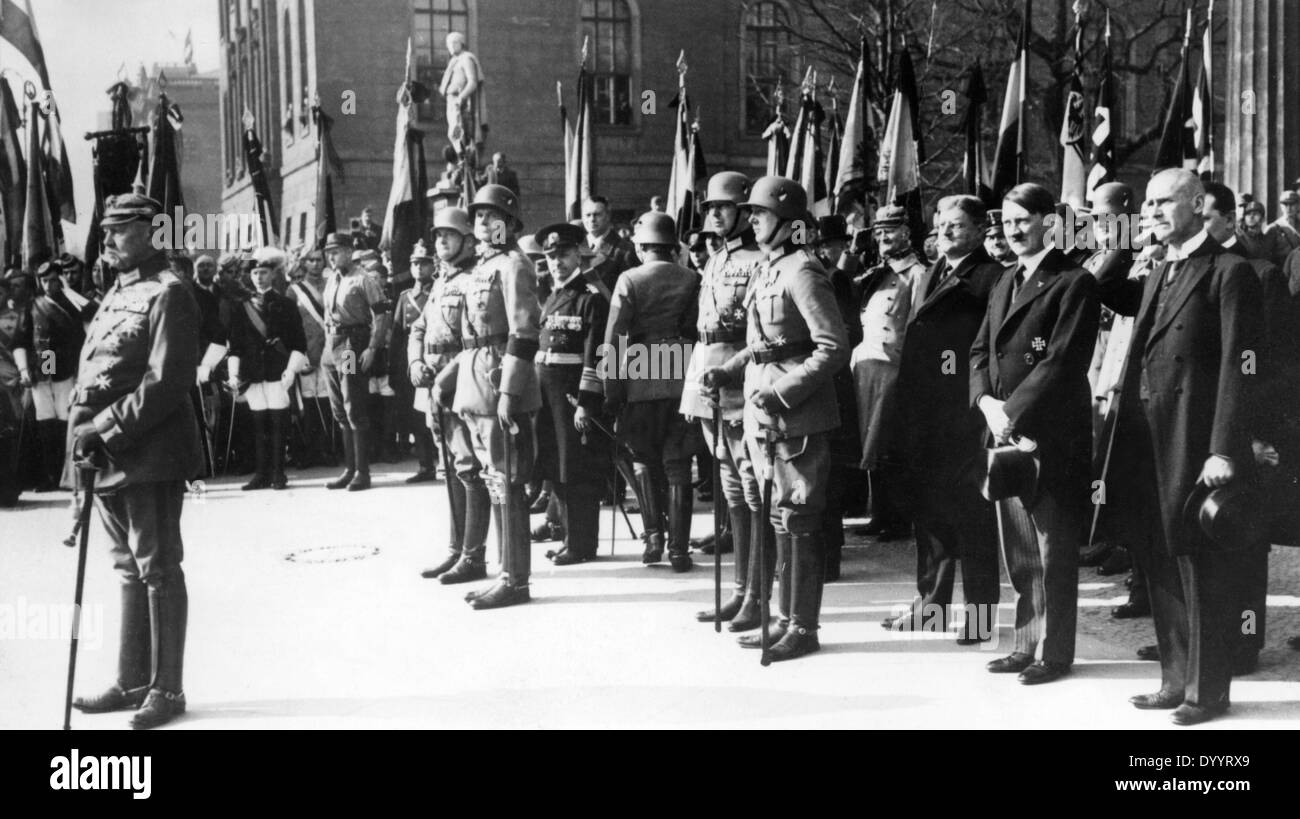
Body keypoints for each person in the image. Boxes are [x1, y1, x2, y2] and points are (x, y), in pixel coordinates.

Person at [1097, 169, 1266, 725]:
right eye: (1145, 204)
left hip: (1194, 441)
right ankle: (1173, 680)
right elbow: (1102, 290)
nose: (1151, 211)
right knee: (1159, 559)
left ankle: (1207, 691)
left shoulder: (1231, 271)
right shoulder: (1159, 269)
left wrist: (1224, 448)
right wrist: (1124, 238)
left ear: (1196, 204)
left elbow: (1244, 368)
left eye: (1162, 202)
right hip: (1145, 439)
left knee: (1202, 567)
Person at [67, 191, 202, 729]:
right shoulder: (118, 291)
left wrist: (106, 427)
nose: (109, 239)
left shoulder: (171, 293)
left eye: (120, 229)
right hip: (106, 454)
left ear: (153, 231)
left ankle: (167, 689)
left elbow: (167, 381)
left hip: (150, 451)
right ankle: (131, 680)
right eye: (107, 230)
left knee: (158, 569)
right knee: (128, 569)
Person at [702, 176, 849, 661]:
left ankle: (802, 627)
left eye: (761, 214)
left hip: (798, 416)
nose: (753, 220)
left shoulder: (803, 270)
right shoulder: (771, 268)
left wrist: (783, 393)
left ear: (786, 222)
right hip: (763, 409)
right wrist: (729, 369)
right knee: (779, 517)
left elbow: (832, 347)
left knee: (800, 518)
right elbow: (764, 343)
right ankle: (783, 618)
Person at [970, 182, 1100, 685]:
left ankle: (1055, 652)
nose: (1012, 228)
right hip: (1003, 431)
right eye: (1005, 220)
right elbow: (980, 350)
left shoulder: (1074, 282)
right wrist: (985, 403)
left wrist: (1013, 413)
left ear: (1050, 221)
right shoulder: (1005, 279)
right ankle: (1025, 644)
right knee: (1020, 550)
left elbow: (1063, 361)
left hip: (1049, 437)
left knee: (1053, 551)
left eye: (1022, 219)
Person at [891, 195, 1003, 642]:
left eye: (956, 225)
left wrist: (982, 408)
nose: (944, 233)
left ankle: (979, 619)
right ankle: (932, 605)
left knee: (972, 518)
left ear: (979, 229)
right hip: (925, 413)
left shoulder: (991, 276)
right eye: (939, 225)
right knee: (930, 513)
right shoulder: (932, 273)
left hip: (963, 412)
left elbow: (988, 347)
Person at [680, 172, 768, 621]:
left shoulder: (759, 260)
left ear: (745, 213)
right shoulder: (713, 259)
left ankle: (758, 595)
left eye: (722, 207)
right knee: (731, 489)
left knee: (753, 490)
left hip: (739, 375)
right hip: (707, 372)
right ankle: (741, 589)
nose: (713, 214)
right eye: (710, 207)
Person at [447, 185, 540, 609]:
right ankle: (504, 572)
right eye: (479, 217)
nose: (484, 224)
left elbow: (523, 334)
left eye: (493, 217)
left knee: (509, 481)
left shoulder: (514, 265)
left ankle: (515, 580)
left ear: (511, 222)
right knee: (494, 480)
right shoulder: (480, 268)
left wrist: (509, 393)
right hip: (475, 383)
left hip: (501, 384)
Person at [604, 211, 701, 573]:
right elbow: (696, 329)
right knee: (678, 465)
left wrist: (612, 391)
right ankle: (680, 549)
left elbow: (615, 337)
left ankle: (653, 537)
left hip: (641, 374)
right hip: (681, 370)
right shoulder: (692, 278)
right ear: (672, 246)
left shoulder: (629, 278)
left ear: (642, 246)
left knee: (643, 459)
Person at [408, 208, 491, 583]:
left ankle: (474, 557)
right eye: (438, 235)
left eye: (450, 235)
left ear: (468, 241)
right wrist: (414, 364)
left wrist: (444, 376)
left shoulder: (476, 278)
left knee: (469, 468)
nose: (441, 241)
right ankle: (456, 549)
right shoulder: (441, 280)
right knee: (450, 468)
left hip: (461, 383)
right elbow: (419, 327)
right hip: (434, 387)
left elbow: (478, 341)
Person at [531, 222, 609, 565]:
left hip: (573, 400)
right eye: (551, 256)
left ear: (579, 253)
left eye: (563, 254)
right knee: (556, 469)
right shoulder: (551, 297)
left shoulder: (590, 299)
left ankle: (582, 545)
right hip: (548, 399)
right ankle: (566, 537)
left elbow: (597, 356)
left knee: (577, 472)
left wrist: (587, 403)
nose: (556, 261)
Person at [851, 204, 925, 540]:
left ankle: (899, 517)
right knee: (871, 442)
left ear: (907, 233)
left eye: (891, 230)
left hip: (895, 367)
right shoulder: (876, 274)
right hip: (865, 367)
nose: (883, 237)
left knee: (891, 443)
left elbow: (918, 325)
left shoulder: (918, 274)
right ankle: (879, 512)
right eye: (879, 232)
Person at [225, 248, 309, 491]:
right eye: (255, 273)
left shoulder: (286, 304)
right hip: (252, 373)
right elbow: (236, 345)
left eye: (263, 272)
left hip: (276, 371)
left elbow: (299, 343)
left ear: (273, 274)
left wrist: (291, 370)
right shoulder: (241, 307)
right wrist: (233, 374)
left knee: (278, 423)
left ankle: (278, 474)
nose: (259, 277)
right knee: (258, 424)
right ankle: (261, 474)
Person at [18, 261, 98, 491]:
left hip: (66, 367)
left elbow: (92, 313)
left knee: (66, 420)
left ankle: (67, 475)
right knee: (45, 422)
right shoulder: (33, 305)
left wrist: (69, 291)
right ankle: (49, 476)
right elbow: (21, 341)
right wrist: (24, 369)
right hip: (43, 365)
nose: (49, 285)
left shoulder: (72, 302)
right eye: (44, 280)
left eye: (54, 280)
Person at [321, 231, 391, 491]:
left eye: (336, 251)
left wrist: (373, 347)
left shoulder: (363, 279)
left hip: (351, 346)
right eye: (328, 252)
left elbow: (382, 313)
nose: (331, 256)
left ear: (350, 251)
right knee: (338, 408)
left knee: (353, 405)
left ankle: (362, 471)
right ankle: (349, 468)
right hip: (332, 347)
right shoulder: (332, 280)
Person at [391, 242, 439, 483]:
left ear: (434, 265)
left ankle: (447, 464)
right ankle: (425, 464)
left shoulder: (439, 292)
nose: (419, 268)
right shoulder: (404, 298)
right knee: (417, 417)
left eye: (424, 263)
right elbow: (397, 336)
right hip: (413, 364)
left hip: (438, 360)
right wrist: (397, 371)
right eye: (415, 264)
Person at [286, 247, 336, 467]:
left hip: (333, 352)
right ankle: (309, 451)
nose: (316, 264)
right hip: (306, 352)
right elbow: (291, 326)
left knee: (331, 401)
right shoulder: (294, 291)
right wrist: (298, 354)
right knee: (307, 402)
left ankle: (330, 449)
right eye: (311, 260)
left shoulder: (333, 284)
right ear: (304, 263)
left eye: (319, 260)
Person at [439, 31, 487, 155]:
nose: (449, 46)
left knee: (457, 132)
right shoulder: (454, 61)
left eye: (452, 43)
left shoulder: (466, 58)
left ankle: (463, 156)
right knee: (453, 133)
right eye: (448, 44)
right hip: (451, 100)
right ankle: (460, 156)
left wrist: (461, 97)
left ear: (459, 43)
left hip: (460, 102)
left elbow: (473, 82)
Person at [583, 195, 638, 294]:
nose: (592, 219)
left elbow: (630, 292)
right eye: (588, 215)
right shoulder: (576, 246)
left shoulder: (625, 250)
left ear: (608, 216)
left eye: (597, 214)